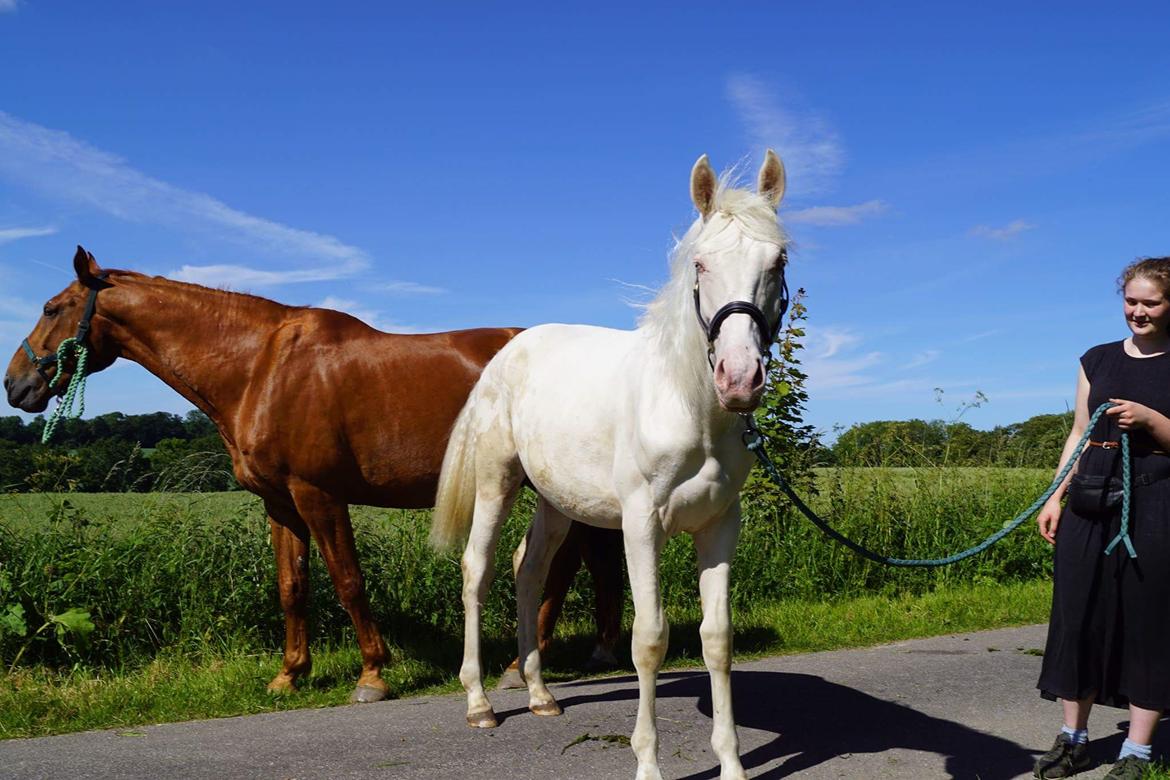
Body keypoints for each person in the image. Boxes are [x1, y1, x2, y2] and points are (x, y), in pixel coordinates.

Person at [1034, 257, 1170, 779]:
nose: (1137, 311)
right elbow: (1077, 433)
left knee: (1148, 622)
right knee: (1077, 615)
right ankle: (1074, 739)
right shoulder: (1096, 359)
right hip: (1090, 499)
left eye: (1150, 302)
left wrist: (1155, 421)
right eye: (1130, 301)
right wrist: (1054, 496)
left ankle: (1137, 752)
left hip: (1157, 504)